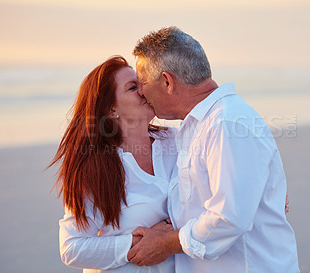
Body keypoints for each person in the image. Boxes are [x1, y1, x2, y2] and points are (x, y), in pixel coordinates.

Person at [127, 26, 300, 273]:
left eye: (142, 82)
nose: (141, 92)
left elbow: (228, 218)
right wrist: (169, 224)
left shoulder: (226, 124)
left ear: (167, 81)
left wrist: (165, 244)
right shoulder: (197, 126)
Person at [49, 56, 177, 273]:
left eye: (143, 83)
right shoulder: (96, 168)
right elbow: (72, 248)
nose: (144, 91)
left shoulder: (177, 141)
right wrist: (136, 245)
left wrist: (167, 236)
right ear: (111, 109)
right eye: (132, 87)